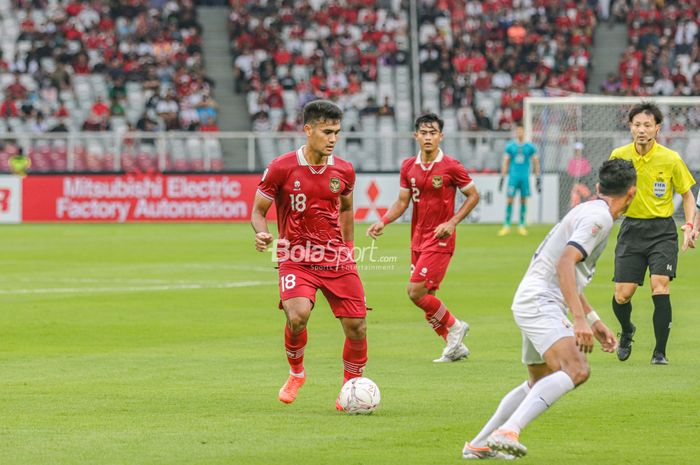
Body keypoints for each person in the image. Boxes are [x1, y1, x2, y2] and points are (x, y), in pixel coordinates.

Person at [461, 159, 637, 459]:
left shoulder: (587, 210)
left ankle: (478, 445)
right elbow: (565, 262)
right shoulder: (601, 218)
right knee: (577, 369)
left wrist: (593, 319)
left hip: (533, 297)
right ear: (632, 193)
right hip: (541, 300)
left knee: (540, 380)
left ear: (597, 188)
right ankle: (508, 430)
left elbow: (567, 271)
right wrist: (579, 322)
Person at [251, 100, 368, 410]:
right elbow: (258, 211)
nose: (332, 139)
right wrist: (262, 233)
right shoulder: (281, 167)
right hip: (295, 254)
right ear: (308, 130)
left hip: (335, 256)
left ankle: (349, 389)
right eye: (327, 132)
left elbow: (345, 210)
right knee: (297, 316)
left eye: (337, 133)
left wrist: (350, 252)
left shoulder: (344, 170)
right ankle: (296, 373)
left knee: (357, 325)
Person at [366, 113, 480, 363]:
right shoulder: (408, 166)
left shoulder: (451, 166)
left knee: (415, 292)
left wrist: (452, 222)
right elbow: (402, 202)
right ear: (416, 135)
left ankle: (455, 327)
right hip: (416, 240)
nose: (428, 137)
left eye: (433, 133)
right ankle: (454, 346)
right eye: (424, 133)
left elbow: (473, 195)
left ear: (441, 136)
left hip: (440, 240)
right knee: (428, 297)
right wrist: (383, 221)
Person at [609, 102, 696, 365]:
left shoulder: (671, 158)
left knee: (660, 285)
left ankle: (660, 352)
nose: (642, 130)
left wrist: (690, 226)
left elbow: (688, 195)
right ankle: (627, 330)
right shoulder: (619, 156)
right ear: (630, 127)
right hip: (631, 229)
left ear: (657, 128)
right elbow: (609, 192)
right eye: (637, 125)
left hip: (662, 230)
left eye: (647, 125)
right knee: (622, 295)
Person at [498, 123, 541, 236]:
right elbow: (506, 161)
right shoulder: (510, 146)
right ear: (515, 132)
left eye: (521, 131)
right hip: (513, 177)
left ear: (524, 132)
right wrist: (502, 177)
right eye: (517, 131)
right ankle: (506, 225)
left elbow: (535, 161)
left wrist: (538, 177)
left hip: (524, 177)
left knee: (523, 200)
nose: (519, 133)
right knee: (510, 199)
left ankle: (521, 225)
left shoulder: (530, 147)